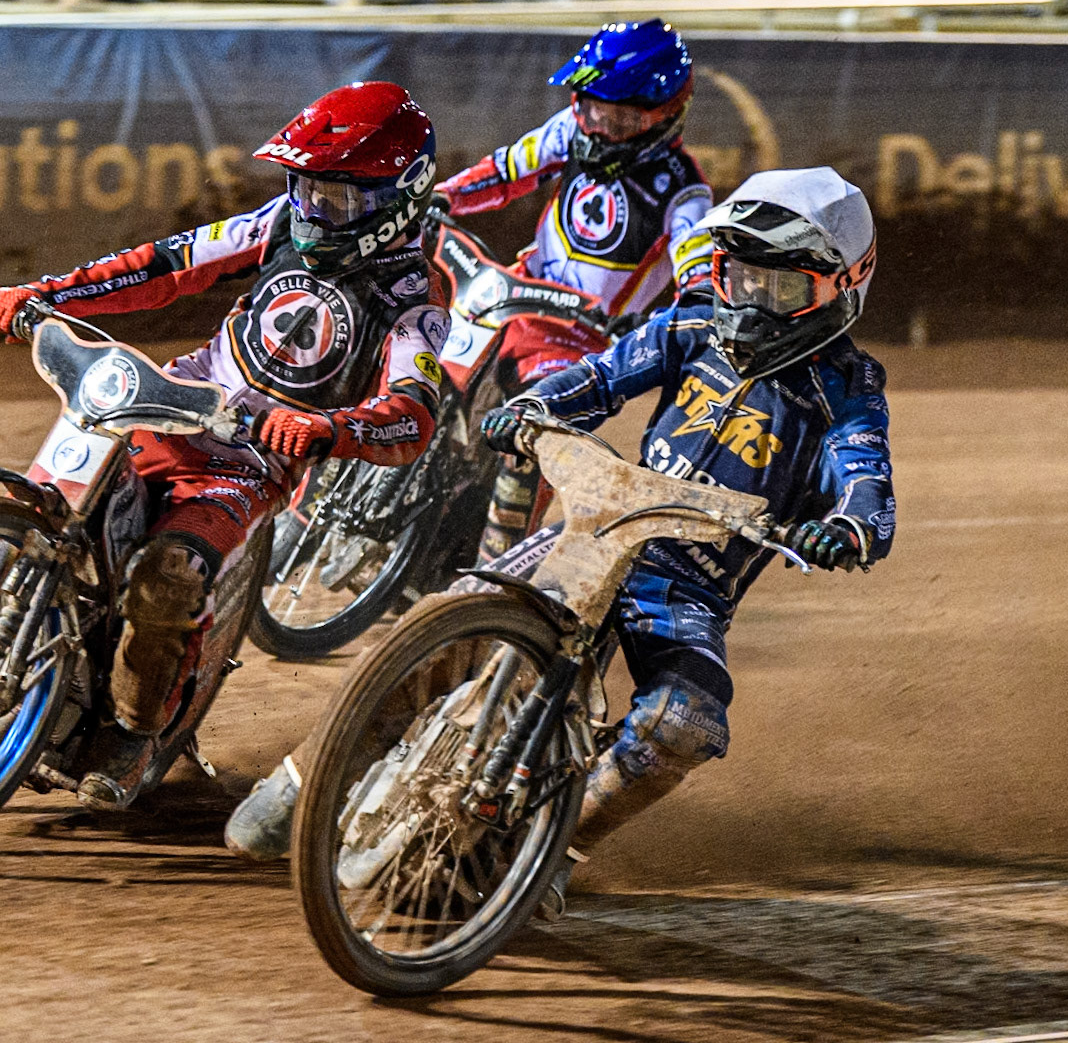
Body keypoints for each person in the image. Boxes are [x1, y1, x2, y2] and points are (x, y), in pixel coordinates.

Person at [225, 167, 894, 903]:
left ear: (843, 286)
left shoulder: (848, 390)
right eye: (739, 278)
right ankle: (304, 778)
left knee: (684, 722)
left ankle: (552, 853)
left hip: (687, 589)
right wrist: (534, 408)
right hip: (596, 529)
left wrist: (849, 527)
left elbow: (865, 476)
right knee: (452, 616)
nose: (753, 302)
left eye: (782, 288)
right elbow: (599, 378)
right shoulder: (689, 326)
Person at [0, 82, 449, 801]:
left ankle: (134, 731)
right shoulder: (277, 223)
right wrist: (49, 294)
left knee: (167, 577)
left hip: (252, 460)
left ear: (401, 197)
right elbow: (167, 264)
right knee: (20, 527)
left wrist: (328, 428)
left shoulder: (416, 295)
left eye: (338, 199)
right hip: (171, 403)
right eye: (306, 188)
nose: (314, 211)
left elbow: (412, 414)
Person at [432, 19, 716, 562]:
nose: (600, 129)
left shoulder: (685, 191)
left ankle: (491, 569)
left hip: (581, 342)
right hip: (513, 296)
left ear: (665, 116)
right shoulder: (569, 129)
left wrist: (680, 313)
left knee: (530, 436)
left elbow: (698, 269)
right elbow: (507, 170)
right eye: (592, 111)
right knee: (419, 354)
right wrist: (444, 198)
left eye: (621, 119)